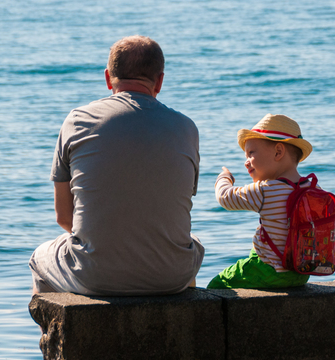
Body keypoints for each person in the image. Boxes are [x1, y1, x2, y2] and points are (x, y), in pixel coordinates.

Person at [29, 36, 204, 296]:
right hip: (171, 275)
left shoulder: (78, 121)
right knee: (194, 244)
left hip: (95, 276)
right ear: (160, 81)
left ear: (108, 78)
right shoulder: (186, 128)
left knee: (39, 258)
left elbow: (64, 217)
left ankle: (56, 335)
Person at [207, 113, 314, 289]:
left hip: (270, 271)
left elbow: (225, 197)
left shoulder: (266, 190)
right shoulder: (310, 188)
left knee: (218, 284)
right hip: (302, 272)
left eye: (251, 153)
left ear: (278, 152)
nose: (246, 162)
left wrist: (224, 177)